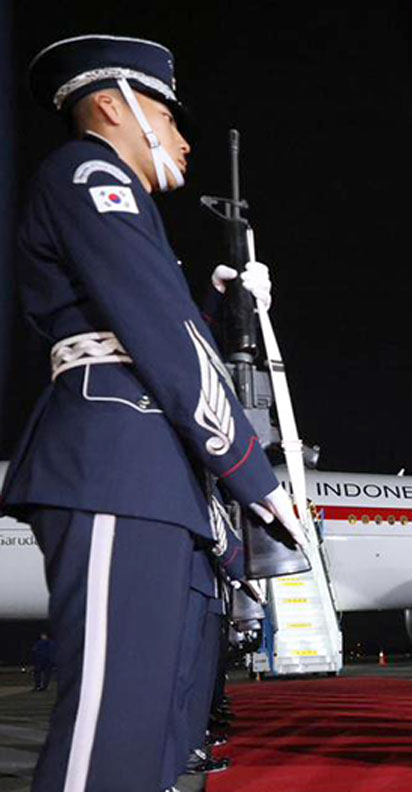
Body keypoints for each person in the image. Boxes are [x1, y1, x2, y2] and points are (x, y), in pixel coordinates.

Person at [1, 36, 305, 792]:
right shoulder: (89, 172)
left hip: (155, 471)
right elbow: (155, 331)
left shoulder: (122, 200)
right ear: (113, 104)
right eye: (169, 116)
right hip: (116, 462)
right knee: (113, 720)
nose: (182, 138)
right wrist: (248, 470)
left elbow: (166, 324)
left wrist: (223, 306)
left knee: (159, 718)